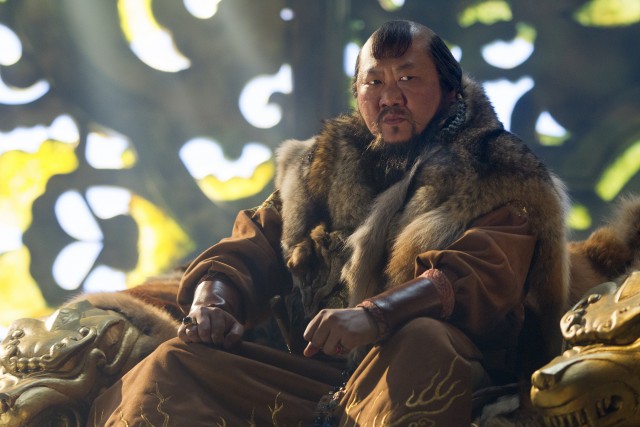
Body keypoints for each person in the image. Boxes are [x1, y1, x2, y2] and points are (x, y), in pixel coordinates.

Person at [88, 20, 569, 426]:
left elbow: (483, 273)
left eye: (408, 78)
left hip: (427, 368)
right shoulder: (322, 164)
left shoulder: (499, 168)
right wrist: (212, 301)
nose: (390, 96)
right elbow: (255, 243)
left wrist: (374, 316)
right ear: (357, 93)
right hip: (315, 380)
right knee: (176, 364)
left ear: (447, 90)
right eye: (374, 82)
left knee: (424, 342)